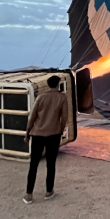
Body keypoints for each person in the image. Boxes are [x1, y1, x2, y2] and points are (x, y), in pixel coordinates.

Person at [23, 75, 68, 204]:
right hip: (53, 135)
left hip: (37, 134)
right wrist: (60, 130)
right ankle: (49, 191)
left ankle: (28, 194)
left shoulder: (41, 97)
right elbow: (64, 117)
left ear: (48, 84)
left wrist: (28, 133)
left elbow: (32, 117)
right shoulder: (62, 98)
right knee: (51, 164)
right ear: (58, 84)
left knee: (34, 164)